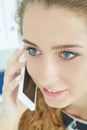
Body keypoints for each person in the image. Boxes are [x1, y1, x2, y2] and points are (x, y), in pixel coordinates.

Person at [0, 0, 87, 129]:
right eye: (33, 50)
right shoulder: (23, 105)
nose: (45, 79)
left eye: (67, 54)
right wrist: (9, 120)